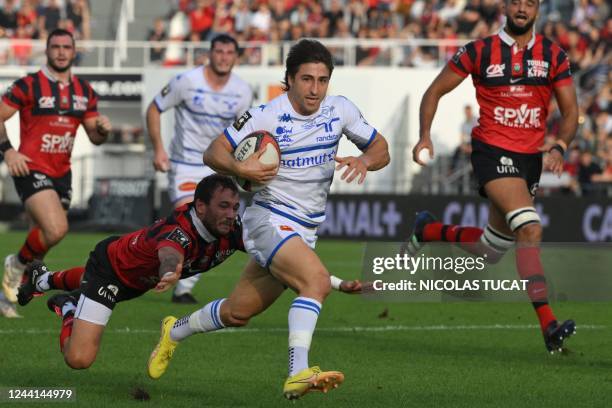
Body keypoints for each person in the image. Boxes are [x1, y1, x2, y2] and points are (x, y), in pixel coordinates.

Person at [147, 39, 390, 400]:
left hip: (305, 229)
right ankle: (298, 372)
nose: (315, 88)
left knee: (237, 313)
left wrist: (364, 161)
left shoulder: (340, 110)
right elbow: (214, 151)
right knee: (315, 282)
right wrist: (239, 167)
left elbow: (381, 148)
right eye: (307, 79)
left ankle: (174, 331)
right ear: (289, 79)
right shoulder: (265, 115)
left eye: (322, 80)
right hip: (268, 220)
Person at [17, 175, 362, 369]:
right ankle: (66, 308)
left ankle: (43, 278)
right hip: (109, 268)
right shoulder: (178, 232)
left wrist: (332, 282)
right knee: (78, 359)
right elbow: (171, 252)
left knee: (106, 286)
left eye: (235, 206)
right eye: (223, 207)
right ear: (200, 207)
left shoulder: (235, 230)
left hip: (136, 279)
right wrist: (172, 269)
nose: (232, 214)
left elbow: (282, 260)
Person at [409, 0, 578, 353]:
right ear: (505, 6)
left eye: (529, 3)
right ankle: (548, 324)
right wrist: (425, 135)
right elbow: (434, 91)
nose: (521, 8)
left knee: (491, 249)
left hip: (529, 159)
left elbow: (571, 109)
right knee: (529, 228)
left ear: (538, 9)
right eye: (515, 1)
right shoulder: (479, 50)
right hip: (492, 152)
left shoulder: (553, 54)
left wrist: (560, 143)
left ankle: (428, 229)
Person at [0, 28, 111, 318]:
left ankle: (5, 295)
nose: (61, 51)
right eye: (55, 46)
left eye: (66, 47)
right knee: (56, 229)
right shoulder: (29, 84)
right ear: (47, 50)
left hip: (62, 173)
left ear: (74, 51)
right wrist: (8, 151)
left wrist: (102, 131)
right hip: (31, 167)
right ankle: (16, 264)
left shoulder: (85, 92)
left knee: (43, 240)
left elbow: (94, 135)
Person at [146, 33, 253, 305]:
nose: (223, 57)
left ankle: (182, 286)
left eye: (229, 53)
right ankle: (168, 273)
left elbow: (244, 135)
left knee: (215, 230)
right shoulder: (186, 81)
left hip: (218, 169)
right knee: (192, 220)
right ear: (210, 53)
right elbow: (154, 109)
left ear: (236, 58)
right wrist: (158, 148)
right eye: (219, 51)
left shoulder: (241, 91)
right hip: (184, 166)